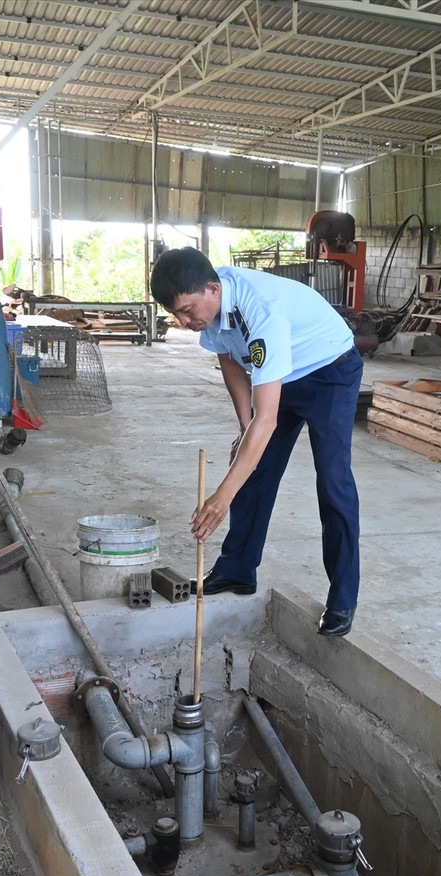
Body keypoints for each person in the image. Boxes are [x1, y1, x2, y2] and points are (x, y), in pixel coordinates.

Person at [150, 247, 362, 636]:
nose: (183, 321)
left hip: (329, 371)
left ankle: (343, 598)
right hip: (282, 375)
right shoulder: (210, 310)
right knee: (253, 468)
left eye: (186, 310)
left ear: (213, 289)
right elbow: (231, 362)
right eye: (176, 314)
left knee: (333, 482)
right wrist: (243, 427)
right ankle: (237, 570)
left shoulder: (261, 311)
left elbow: (268, 419)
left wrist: (221, 496)